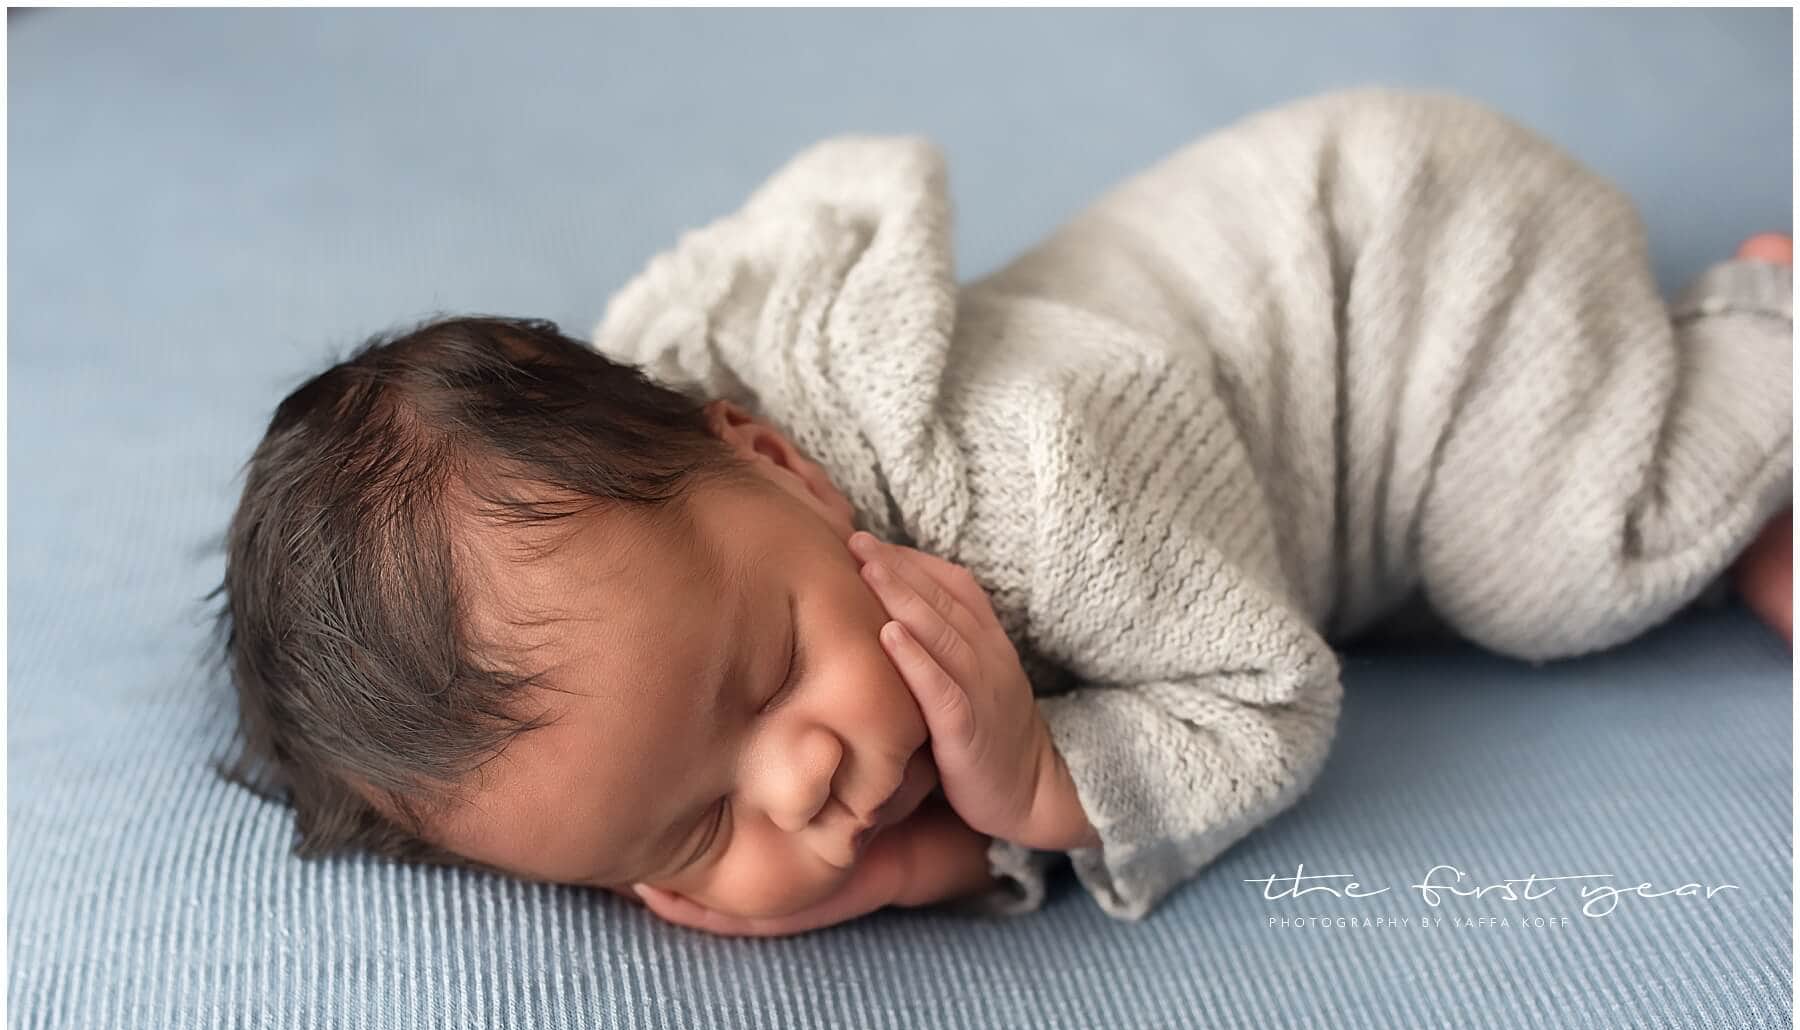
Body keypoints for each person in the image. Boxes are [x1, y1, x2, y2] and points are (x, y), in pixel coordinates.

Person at [211, 87, 1793, 938]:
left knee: (1564, 576)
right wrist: (944, 862)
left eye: (764, 683)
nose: (808, 787)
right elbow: (916, 782)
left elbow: (1270, 697)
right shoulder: (745, 552)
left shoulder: (1034, 482)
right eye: (695, 833)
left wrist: (1036, 775)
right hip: (1325, 316)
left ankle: (1754, 343)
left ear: (775, 460)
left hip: (1423, 269)